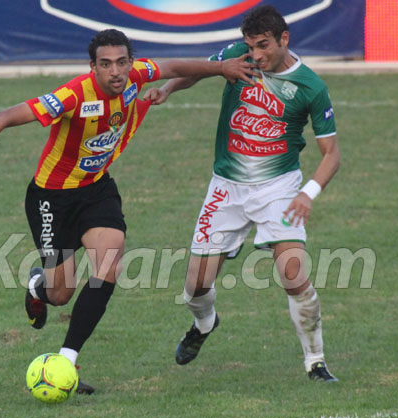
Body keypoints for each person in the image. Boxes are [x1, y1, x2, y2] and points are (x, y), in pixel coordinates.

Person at [0, 29, 257, 394]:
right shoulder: (73, 95)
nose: (115, 71)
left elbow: (173, 67)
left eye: (121, 62)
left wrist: (221, 68)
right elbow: (7, 115)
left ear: (130, 62)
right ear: (93, 67)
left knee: (108, 266)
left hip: (96, 190)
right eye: (105, 64)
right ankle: (38, 286)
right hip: (51, 200)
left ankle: (66, 361)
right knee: (61, 294)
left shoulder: (136, 76)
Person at [145, 5, 341, 381]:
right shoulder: (238, 58)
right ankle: (205, 324)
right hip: (227, 187)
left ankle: (315, 361)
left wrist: (307, 193)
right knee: (195, 287)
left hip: (278, 188)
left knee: (293, 273)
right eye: (251, 46)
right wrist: (168, 88)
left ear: (284, 39)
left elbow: (332, 154)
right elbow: (195, 71)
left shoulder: (311, 87)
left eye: (264, 45)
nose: (256, 55)